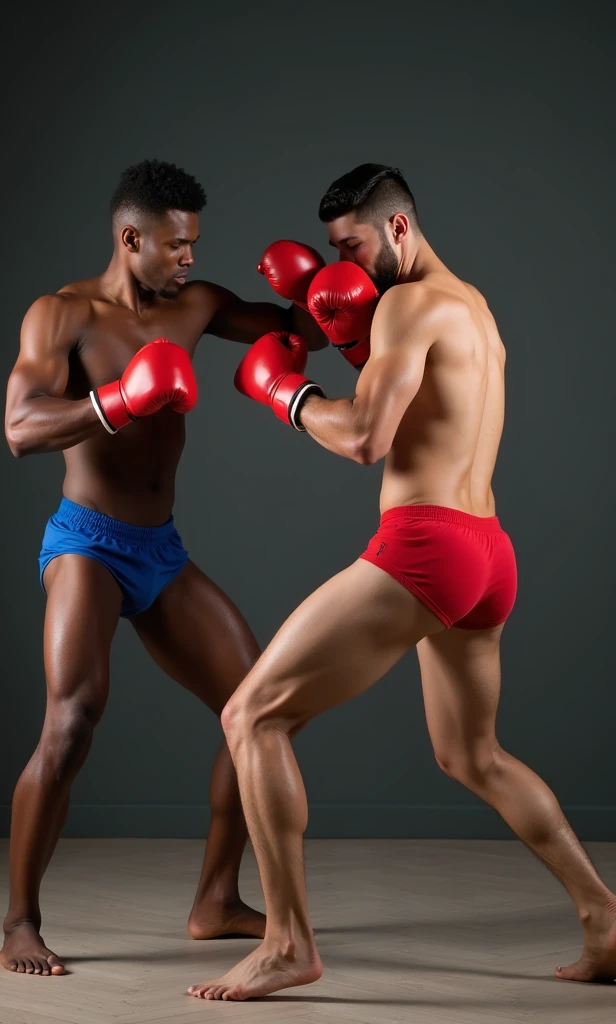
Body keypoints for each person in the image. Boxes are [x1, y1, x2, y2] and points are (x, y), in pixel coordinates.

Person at [187, 164, 616, 1000]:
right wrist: (356, 345)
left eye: (349, 246)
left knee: (253, 714)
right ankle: (605, 918)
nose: (338, 264)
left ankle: (289, 943)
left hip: (425, 545)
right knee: (472, 754)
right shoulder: (476, 310)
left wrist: (287, 392)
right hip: (488, 549)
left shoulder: (409, 304)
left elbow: (364, 439)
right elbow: (430, 410)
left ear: (396, 231)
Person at [0, 159, 327, 977]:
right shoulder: (63, 315)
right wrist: (113, 403)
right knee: (72, 719)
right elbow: (19, 426)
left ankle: (215, 900)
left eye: (195, 245)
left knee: (256, 707)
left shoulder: (199, 304)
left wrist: (329, 291)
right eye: (177, 245)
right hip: (88, 542)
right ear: (130, 236)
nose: (189, 258)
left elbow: (303, 329)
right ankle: (18, 925)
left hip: (161, 549)